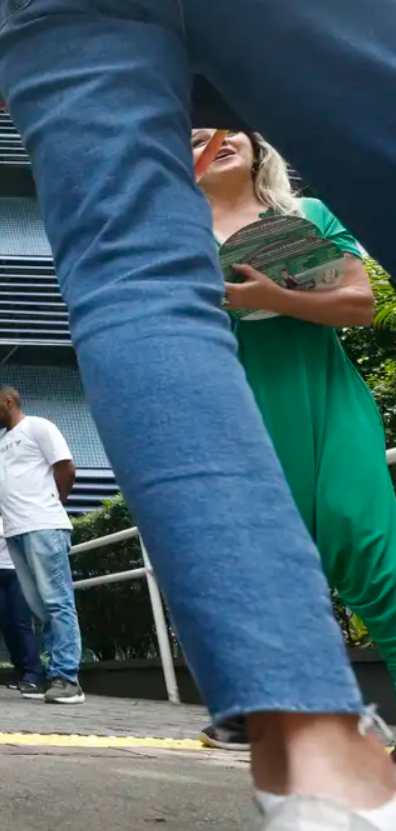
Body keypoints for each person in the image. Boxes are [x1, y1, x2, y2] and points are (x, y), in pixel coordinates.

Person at [0, 0, 396, 820]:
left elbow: (356, 298)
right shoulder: (205, 219)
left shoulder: (294, 221)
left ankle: (319, 769)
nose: (211, 135)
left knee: (135, 285)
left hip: (314, 405)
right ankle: (316, 755)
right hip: (251, 410)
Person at [189, 131, 396, 754]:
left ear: (257, 147)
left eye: (225, 131)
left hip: (328, 400)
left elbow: (360, 304)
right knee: (258, 568)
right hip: (238, 416)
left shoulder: (307, 215)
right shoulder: (176, 238)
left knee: (371, 547)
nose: (214, 141)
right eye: (193, 139)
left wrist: (272, 298)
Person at [0, 387, 82, 705]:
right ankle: (54, 674)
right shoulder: (0, 442)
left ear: (9, 402)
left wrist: (56, 502)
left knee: (57, 602)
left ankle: (67, 679)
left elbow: (65, 467)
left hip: (43, 525)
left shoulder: (39, 426)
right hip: (15, 532)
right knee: (40, 608)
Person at [0, 483, 44, 698]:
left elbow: (31, 542)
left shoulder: (19, 519)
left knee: (21, 624)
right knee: (6, 627)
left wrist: (5, 534)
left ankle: (33, 675)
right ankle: (20, 672)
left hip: (17, 575)